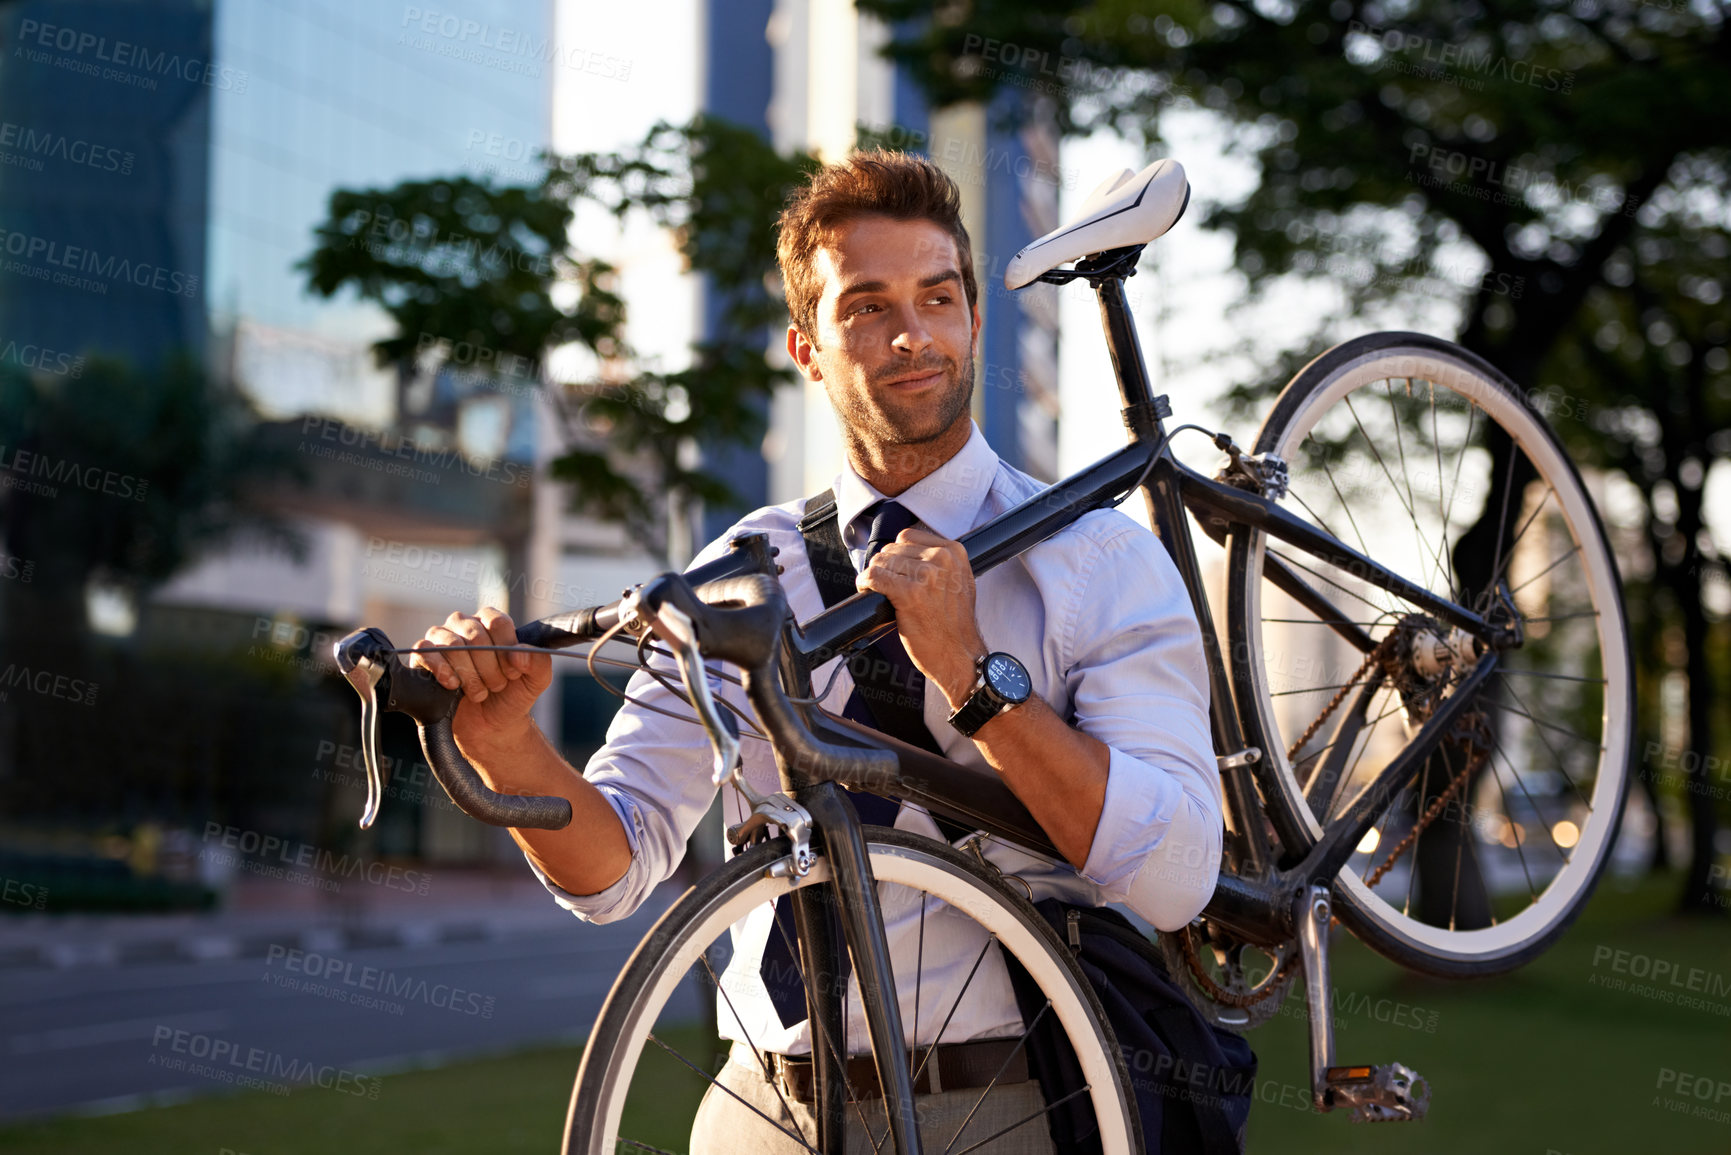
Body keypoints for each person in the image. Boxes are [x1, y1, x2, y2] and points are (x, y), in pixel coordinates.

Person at [408, 149, 1223, 1153]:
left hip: (1009, 1104)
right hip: (766, 1110)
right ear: (807, 349)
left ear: (974, 318)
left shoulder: (1097, 558)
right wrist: (508, 750)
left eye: (937, 297)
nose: (912, 334)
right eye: (866, 307)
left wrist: (975, 679)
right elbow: (617, 866)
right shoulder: (738, 572)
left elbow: (1178, 876)